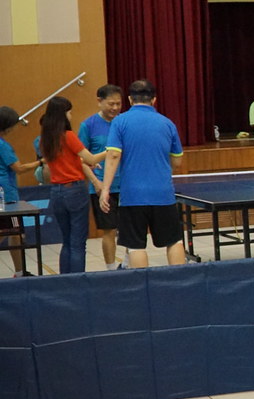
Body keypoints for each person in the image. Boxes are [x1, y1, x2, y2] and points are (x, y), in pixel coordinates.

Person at [100, 80, 185, 268]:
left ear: (130, 99)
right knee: (174, 241)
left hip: (132, 196)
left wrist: (105, 189)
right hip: (163, 194)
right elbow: (177, 161)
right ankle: (181, 286)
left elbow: (113, 155)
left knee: (135, 246)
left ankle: (143, 291)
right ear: (154, 100)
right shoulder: (167, 123)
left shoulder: (119, 122)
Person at [40, 96, 106, 273]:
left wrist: (84, 163)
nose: (71, 115)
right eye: (69, 112)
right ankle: (78, 282)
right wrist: (110, 151)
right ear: (63, 114)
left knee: (67, 241)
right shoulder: (68, 135)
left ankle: (65, 280)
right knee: (78, 243)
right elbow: (90, 157)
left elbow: (67, 161)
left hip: (56, 191)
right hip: (75, 190)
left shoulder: (45, 139)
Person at [79, 84, 125, 270]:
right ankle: (111, 269)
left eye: (118, 104)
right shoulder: (88, 125)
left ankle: (129, 264)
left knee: (131, 229)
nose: (115, 108)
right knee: (109, 230)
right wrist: (96, 182)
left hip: (127, 186)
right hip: (101, 187)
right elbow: (81, 159)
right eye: (111, 104)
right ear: (99, 101)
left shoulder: (124, 122)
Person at [0, 106, 43, 277]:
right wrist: (40, 162)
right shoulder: (3, 145)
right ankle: (19, 271)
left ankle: (19, 271)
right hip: (7, 196)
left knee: (15, 235)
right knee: (11, 231)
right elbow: (18, 168)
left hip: (4, 194)